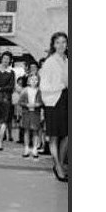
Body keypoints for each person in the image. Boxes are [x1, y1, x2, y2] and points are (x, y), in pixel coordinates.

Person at [40, 32, 69, 181]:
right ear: (53, 45)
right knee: (54, 136)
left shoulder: (67, 60)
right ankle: (58, 166)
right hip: (53, 101)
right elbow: (43, 86)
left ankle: (61, 163)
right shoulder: (50, 62)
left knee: (66, 135)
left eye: (64, 42)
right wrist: (61, 85)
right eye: (58, 42)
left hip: (66, 99)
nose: (61, 45)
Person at [18, 73, 44, 158]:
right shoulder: (25, 90)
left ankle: (34, 148)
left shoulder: (39, 91)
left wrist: (37, 104)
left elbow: (42, 102)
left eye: (36, 80)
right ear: (29, 81)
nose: (34, 81)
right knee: (26, 131)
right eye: (32, 79)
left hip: (36, 113)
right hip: (26, 113)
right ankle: (26, 148)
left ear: (38, 81)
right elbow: (20, 102)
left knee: (35, 131)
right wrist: (26, 105)